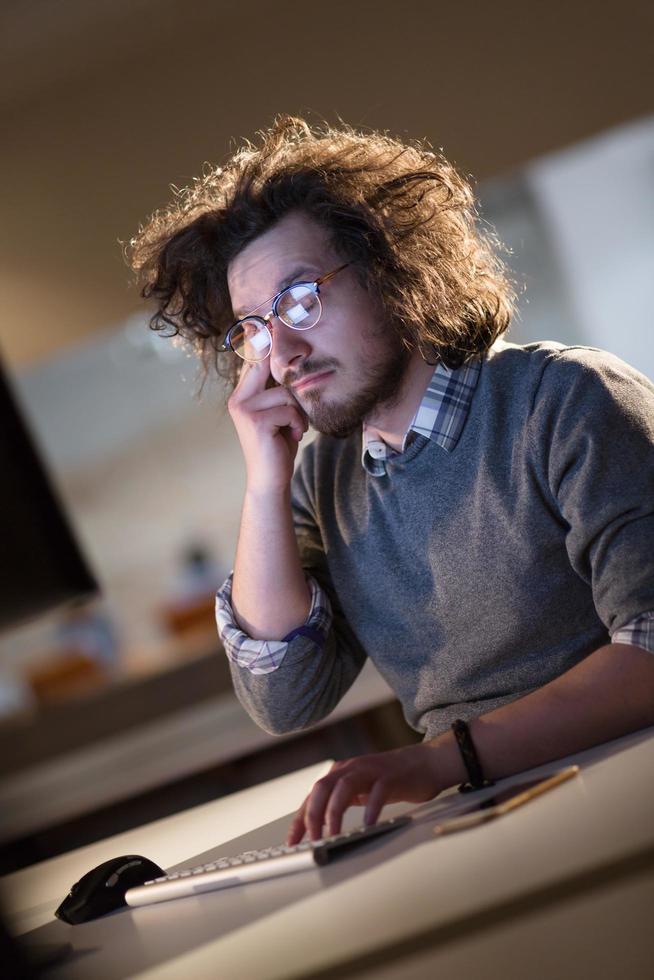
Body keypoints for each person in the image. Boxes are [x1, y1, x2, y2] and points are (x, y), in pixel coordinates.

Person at [129, 116, 654, 844]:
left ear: (392, 268)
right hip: (490, 817)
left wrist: (445, 759)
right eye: (253, 326)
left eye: (300, 299)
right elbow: (286, 700)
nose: (279, 351)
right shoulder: (324, 476)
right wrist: (264, 481)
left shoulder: (567, 399)